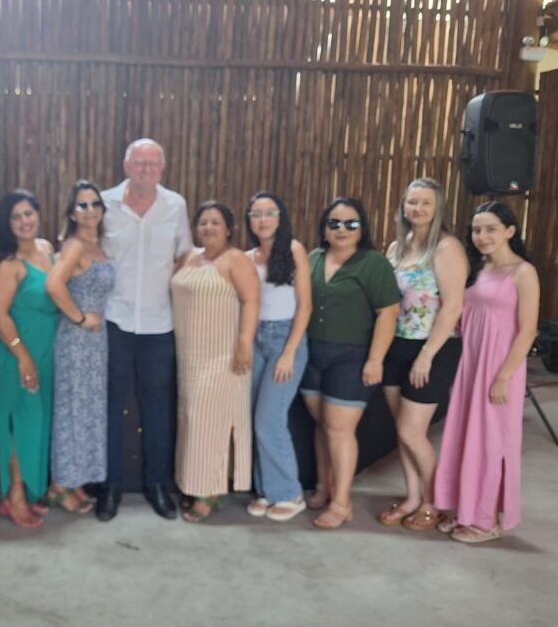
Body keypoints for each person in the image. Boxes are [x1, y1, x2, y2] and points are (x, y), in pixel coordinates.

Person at [98, 138, 194, 522]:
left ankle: (157, 485)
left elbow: (184, 255)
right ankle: (109, 487)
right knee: (111, 407)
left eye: (153, 164)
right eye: (140, 163)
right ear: (126, 166)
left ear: (163, 167)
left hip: (159, 324)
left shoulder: (175, 206)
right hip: (114, 321)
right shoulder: (104, 204)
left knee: (157, 409)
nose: (147, 170)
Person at [433, 202, 539, 544]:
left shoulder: (523, 272)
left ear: (510, 231)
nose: (482, 236)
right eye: (477, 230)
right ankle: (464, 509)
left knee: (492, 443)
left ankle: (488, 520)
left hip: (499, 368)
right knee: (465, 437)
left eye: (491, 228)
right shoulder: (476, 270)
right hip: (471, 365)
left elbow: (527, 330)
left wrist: (504, 377)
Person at [301, 197, 400, 529]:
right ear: (324, 228)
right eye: (334, 223)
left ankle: (342, 503)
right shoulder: (313, 258)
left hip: (352, 357)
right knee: (323, 426)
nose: (342, 229)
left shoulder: (373, 263)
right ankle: (323, 486)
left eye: (351, 224)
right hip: (312, 355)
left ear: (362, 229)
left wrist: (375, 359)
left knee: (340, 430)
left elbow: (388, 313)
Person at [378, 179, 467, 531]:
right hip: (396, 345)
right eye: (412, 202)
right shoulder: (396, 248)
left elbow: (453, 306)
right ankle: (413, 496)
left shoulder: (446, 248)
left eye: (425, 203)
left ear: (438, 208)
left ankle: (436, 501)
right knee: (401, 432)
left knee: (412, 432)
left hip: (432, 347)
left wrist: (427, 354)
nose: (417, 209)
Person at [171, 201, 259, 523]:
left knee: (209, 424)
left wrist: (244, 344)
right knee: (191, 420)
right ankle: (193, 484)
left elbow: (252, 301)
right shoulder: (190, 258)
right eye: (203, 222)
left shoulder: (235, 259)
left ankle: (209, 492)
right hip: (189, 354)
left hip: (223, 356)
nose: (208, 228)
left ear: (229, 228)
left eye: (215, 222)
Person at [0, 190, 58, 529]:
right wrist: (23, 357)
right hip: (13, 352)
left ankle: (26, 490)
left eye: (28, 213)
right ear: (7, 224)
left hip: (44, 350)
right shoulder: (7, 264)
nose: (24, 221)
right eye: (16, 217)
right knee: (20, 421)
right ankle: (14, 496)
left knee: (36, 421)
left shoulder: (47, 250)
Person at [44, 180, 115, 514]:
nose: (90, 210)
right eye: (82, 205)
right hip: (76, 341)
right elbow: (53, 285)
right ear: (71, 213)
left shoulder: (97, 246)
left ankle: (74, 479)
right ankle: (59, 486)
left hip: (95, 344)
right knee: (72, 411)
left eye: (95, 203)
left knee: (87, 411)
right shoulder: (75, 246)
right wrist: (79, 318)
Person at [244, 192, 312, 522]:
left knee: (269, 419)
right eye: (256, 214)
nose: (263, 219)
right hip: (255, 339)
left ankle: (289, 493)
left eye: (270, 213)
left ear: (280, 217)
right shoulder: (247, 258)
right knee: (254, 417)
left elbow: (305, 306)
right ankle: (267, 491)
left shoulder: (294, 250)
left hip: (286, 339)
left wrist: (289, 352)